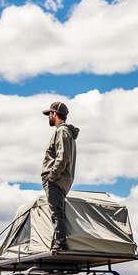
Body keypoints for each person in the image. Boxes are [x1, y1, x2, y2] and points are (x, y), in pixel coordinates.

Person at [41, 101, 79, 250]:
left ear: (54, 114)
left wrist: (52, 175)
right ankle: (58, 242)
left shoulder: (62, 131)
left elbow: (63, 157)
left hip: (56, 181)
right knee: (58, 213)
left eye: (49, 114)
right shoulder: (66, 132)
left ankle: (60, 244)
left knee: (56, 213)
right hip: (61, 181)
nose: (48, 117)